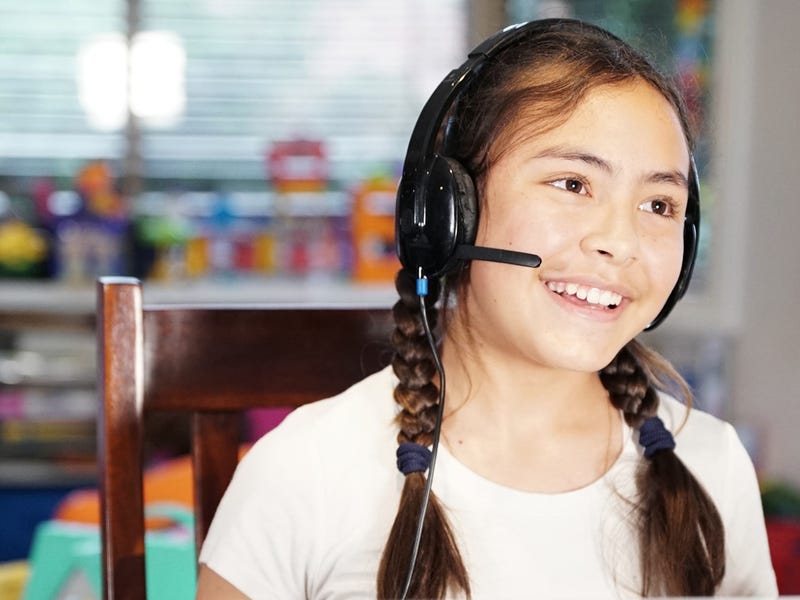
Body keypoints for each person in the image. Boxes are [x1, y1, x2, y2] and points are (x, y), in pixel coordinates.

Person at [196, 18, 777, 599]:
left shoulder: (713, 467)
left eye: (658, 203)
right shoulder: (306, 472)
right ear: (451, 212)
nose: (620, 243)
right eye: (572, 184)